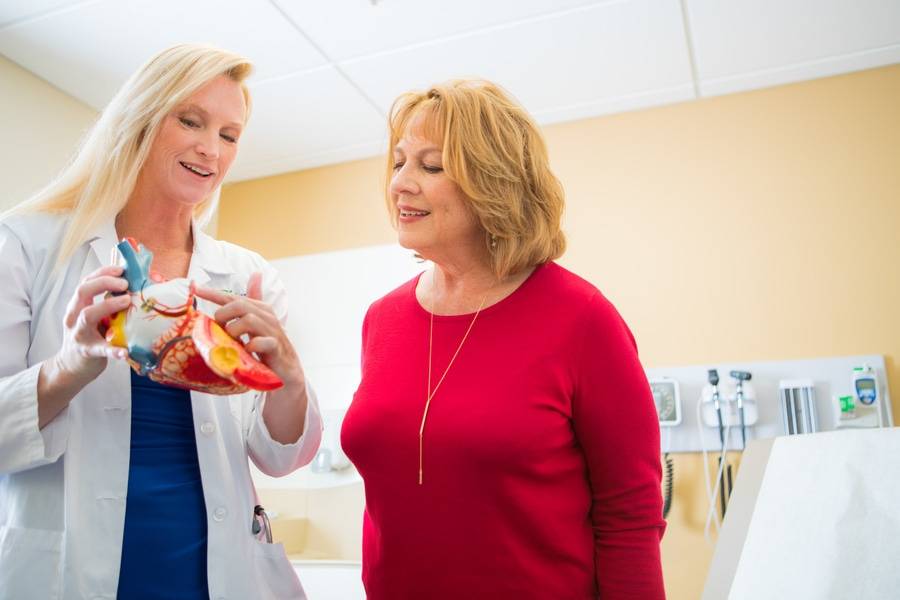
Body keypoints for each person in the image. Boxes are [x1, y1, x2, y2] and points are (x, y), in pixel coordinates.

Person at [0, 44, 321, 600]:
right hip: (68, 568)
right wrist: (74, 362)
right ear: (140, 119)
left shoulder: (247, 277)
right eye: (191, 121)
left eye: (229, 134)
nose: (210, 149)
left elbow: (278, 454)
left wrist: (288, 378)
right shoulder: (27, 246)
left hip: (216, 573)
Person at [341, 79, 666, 599]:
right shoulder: (382, 318)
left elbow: (630, 516)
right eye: (399, 162)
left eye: (430, 165)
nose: (400, 183)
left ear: (494, 182)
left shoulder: (582, 318)